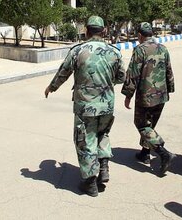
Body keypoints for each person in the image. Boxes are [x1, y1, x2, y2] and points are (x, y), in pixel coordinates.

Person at [44, 16, 126, 197]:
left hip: (85, 106)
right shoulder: (114, 52)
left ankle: (89, 183)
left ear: (87, 31)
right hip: (106, 105)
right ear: (104, 31)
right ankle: (103, 167)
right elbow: (121, 77)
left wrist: (52, 87)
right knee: (102, 134)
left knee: (85, 140)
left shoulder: (78, 50)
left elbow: (63, 72)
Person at [121, 22, 176, 174]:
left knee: (142, 124)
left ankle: (164, 153)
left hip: (146, 96)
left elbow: (133, 74)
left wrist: (128, 95)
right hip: (161, 95)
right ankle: (145, 153)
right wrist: (169, 89)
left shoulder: (140, 50)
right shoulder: (163, 48)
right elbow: (169, 70)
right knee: (150, 125)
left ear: (140, 35)